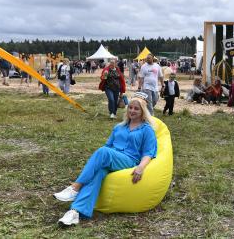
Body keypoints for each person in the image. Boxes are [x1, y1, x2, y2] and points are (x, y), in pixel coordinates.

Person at [54, 92, 157, 226]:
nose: (132, 111)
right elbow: (108, 145)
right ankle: (75, 212)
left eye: (136, 109)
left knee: (103, 152)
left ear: (143, 111)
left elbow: (149, 153)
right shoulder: (119, 127)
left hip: (129, 160)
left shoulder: (147, 130)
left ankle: (75, 187)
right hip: (111, 158)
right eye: (130, 107)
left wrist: (141, 168)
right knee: (99, 172)